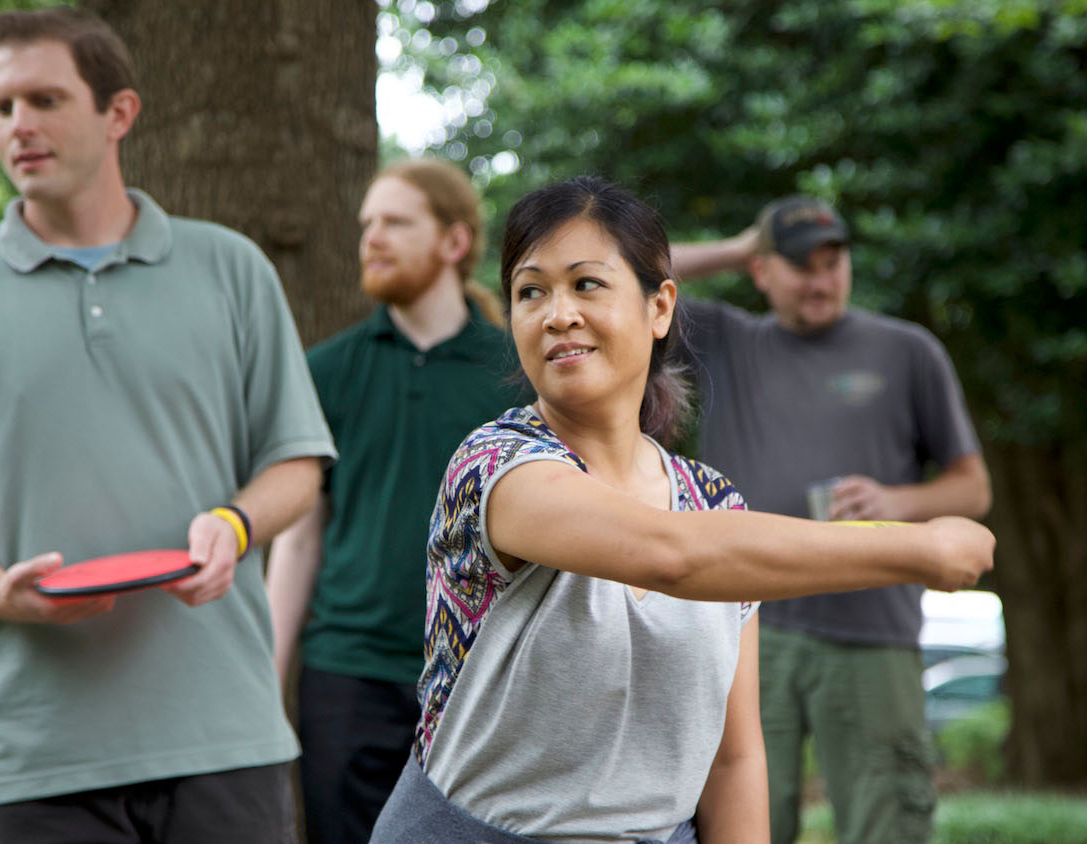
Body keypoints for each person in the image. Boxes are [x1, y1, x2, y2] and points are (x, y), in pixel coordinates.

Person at [368, 176, 995, 844]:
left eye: (586, 284)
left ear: (660, 307)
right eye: (531, 291)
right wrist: (916, 548)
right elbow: (671, 555)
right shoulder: (494, 467)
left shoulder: (711, 500)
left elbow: (733, 757)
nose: (557, 313)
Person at [0, 8, 334, 842]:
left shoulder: (231, 269)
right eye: (1, 107)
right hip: (26, 755)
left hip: (222, 736)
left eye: (44, 98)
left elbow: (296, 464)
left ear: (119, 114)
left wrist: (233, 525)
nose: (19, 125)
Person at [669, 197, 991, 844]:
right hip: (745, 634)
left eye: (833, 260)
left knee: (888, 825)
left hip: (872, 631)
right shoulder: (726, 342)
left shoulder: (908, 351)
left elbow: (973, 488)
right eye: (799, 265)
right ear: (762, 273)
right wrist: (738, 246)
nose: (821, 279)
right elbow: (630, 272)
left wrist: (896, 503)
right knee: (739, 823)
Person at [264, 158, 520, 844]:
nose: (371, 237)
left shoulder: (516, 373)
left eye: (396, 222)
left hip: (482, 678)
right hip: (346, 676)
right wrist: (268, 678)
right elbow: (299, 538)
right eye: (366, 224)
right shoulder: (326, 369)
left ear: (454, 241)